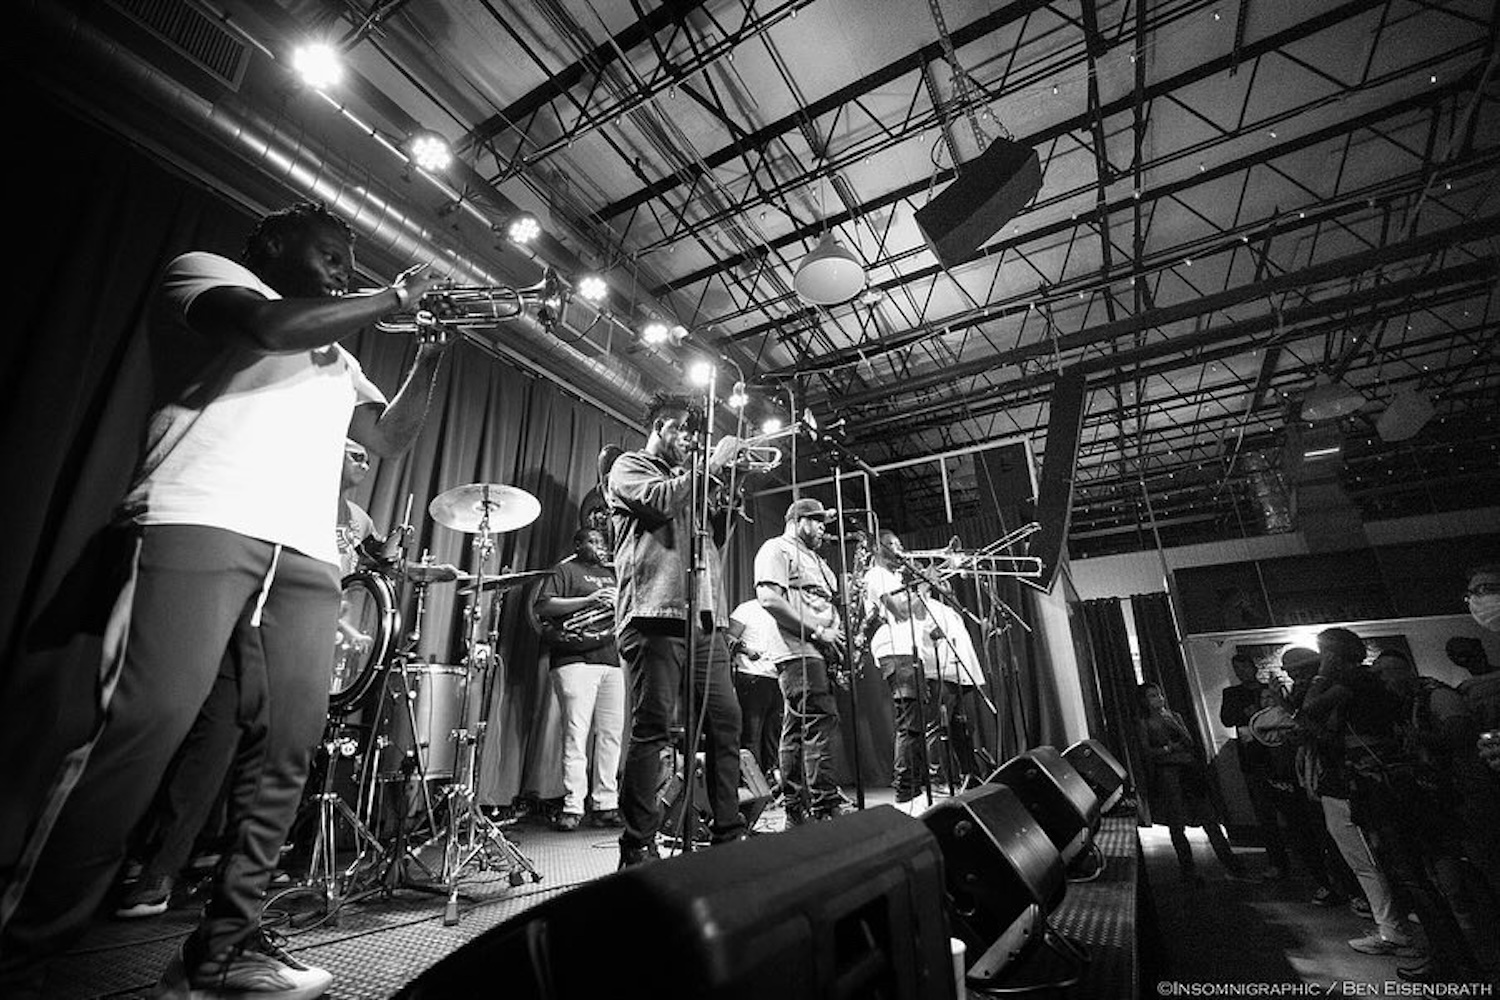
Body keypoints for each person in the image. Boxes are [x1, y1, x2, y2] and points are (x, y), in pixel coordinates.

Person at [0, 201, 451, 1000]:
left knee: (288, 748)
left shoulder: (338, 357)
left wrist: (432, 351)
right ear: (276, 243)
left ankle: (224, 949)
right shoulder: (207, 274)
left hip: (307, 552)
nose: (347, 270)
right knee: (140, 731)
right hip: (196, 520)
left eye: (351, 263)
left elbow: (388, 440)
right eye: (333, 254)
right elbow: (268, 328)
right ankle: (23, 955)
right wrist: (394, 300)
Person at [606, 393, 746, 868]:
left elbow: (716, 536)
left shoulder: (694, 483)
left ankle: (730, 834)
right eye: (686, 433)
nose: (691, 442)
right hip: (654, 614)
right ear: (664, 427)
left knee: (727, 725)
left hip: (707, 618)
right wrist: (711, 467)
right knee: (653, 730)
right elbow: (659, 504)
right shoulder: (629, 466)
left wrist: (730, 486)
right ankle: (636, 846)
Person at [1298, 628, 1421, 959]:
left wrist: (1320, 677)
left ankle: (1393, 930)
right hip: (1364, 777)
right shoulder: (1366, 683)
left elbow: (1312, 712)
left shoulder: (1353, 681)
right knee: (1378, 857)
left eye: (1324, 654)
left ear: (1333, 654)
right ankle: (1395, 925)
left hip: (1355, 781)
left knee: (1366, 858)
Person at [754, 497, 849, 826]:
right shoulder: (776, 548)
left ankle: (797, 808)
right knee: (818, 721)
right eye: (817, 520)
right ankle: (824, 804)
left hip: (819, 650)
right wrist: (817, 632)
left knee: (797, 727)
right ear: (797, 521)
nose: (824, 527)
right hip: (798, 648)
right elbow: (768, 598)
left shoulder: (817, 560)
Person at [533, 528, 624, 832]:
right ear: (577, 544)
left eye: (601, 543)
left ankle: (606, 804)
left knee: (611, 735)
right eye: (592, 541)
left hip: (610, 660)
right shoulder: (565, 569)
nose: (599, 547)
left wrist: (618, 604)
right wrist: (590, 600)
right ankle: (573, 804)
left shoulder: (613, 574)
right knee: (576, 734)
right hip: (574, 660)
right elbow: (543, 606)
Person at [1136, 682, 1251, 883]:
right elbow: (1146, 751)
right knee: (1176, 822)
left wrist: (1174, 728)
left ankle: (1232, 865)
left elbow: (1189, 741)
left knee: (1208, 818)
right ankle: (1188, 870)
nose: (1158, 699)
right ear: (1145, 701)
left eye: (1158, 694)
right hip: (1168, 772)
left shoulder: (1174, 716)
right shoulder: (1145, 723)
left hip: (1188, 769)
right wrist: (1167, 749)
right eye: (1152, 696)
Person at [1218, 653, 1290, 880]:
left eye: (1243, 668)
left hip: (1279, 756)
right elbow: (1227, 719)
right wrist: (1246, 713)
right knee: (1265, 815)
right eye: (1236, 669)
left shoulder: (1267, 690)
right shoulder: (1231, 693)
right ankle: (1277, 862)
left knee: (1291, 810)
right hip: (1253, 759)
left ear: (1253, 667)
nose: (1241, 673)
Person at [728, 598, 783, 785]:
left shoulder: (782, 609)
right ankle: (752, 786)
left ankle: (772, 786)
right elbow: (728, 637)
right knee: (752, 735)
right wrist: (746, 650)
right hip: (752, 676)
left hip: (777, 677)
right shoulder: (746, 609)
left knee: (774, 736)